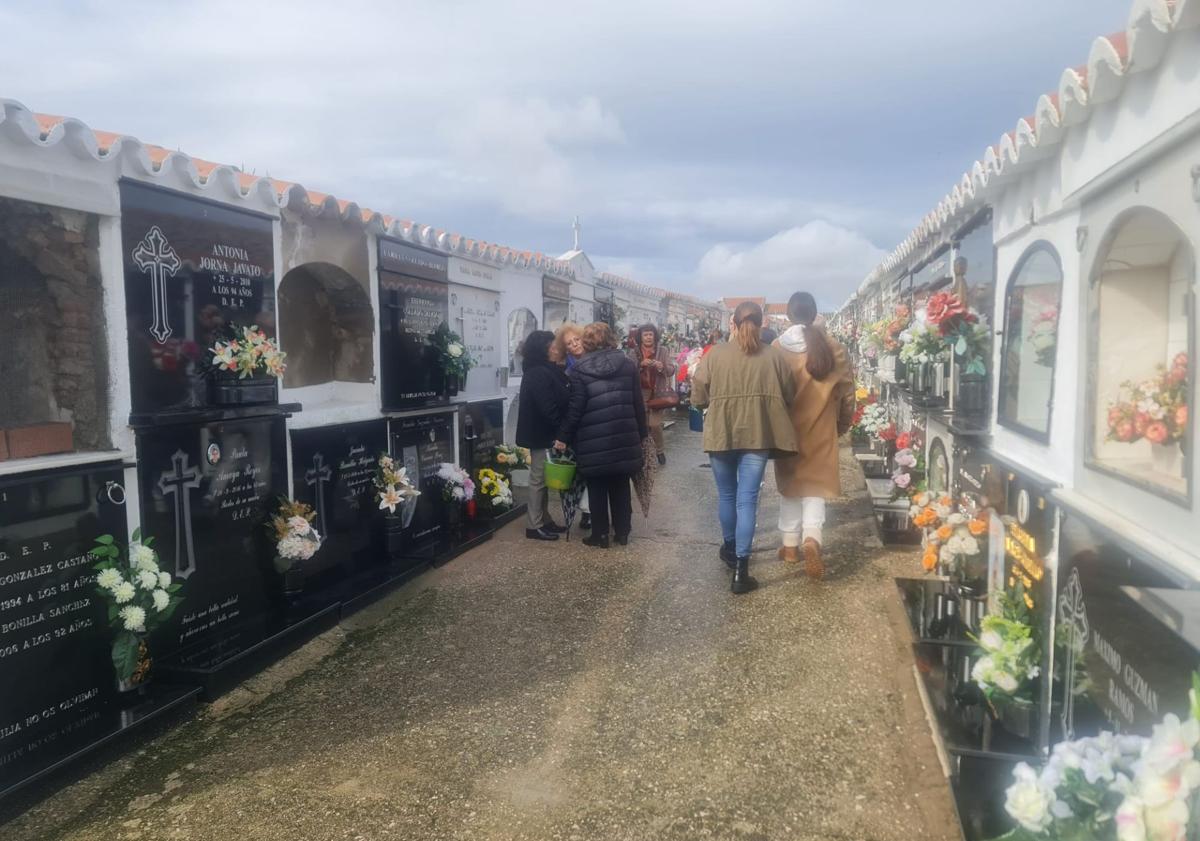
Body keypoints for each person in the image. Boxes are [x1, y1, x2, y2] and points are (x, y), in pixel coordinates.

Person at [691, 302, 797, 594]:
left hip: (721, 434)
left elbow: (698, 391)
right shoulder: (774, 357)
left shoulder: (715, 355)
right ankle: (741, 570)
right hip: (758, 434)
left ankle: (728, 547)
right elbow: (789, 393)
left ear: (733, 324)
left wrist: (706, 404)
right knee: (746, 499)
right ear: (762, 324)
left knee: (726, 494)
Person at [772, 291, 855, 579]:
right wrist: (842, 425)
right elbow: (847, 394)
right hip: (822, 428)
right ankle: (812, 538)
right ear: (815, 313)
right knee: (815, 489)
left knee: (790, 487)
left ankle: (791, 546)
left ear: (789, 315)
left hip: (786, 431)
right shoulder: (833, 347)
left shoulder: (777, 348)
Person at [555, 322, 647, 549]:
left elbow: (576, 408)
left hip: (593, 438)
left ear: (586, 342)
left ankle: (600, 535)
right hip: (625, 436)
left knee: (597, 486)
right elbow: (638, 403)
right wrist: (642, 434)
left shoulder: (579, 369)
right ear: (611, 338)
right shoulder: (628, 365)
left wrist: (563, 437)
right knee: (621, 485)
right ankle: (623, 533)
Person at [515, 331, 569, 541]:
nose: (556, 348)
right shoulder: (538, 372)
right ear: (543, 348)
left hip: (546, 432)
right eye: (552, 345)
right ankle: (533, 525)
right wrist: (561, 432)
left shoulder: (547, 369)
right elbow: (547, 407)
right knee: (538, 479)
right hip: (541, 433)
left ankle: (544, 520)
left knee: (544, 479)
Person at [550, 322, 592, 529]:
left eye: (577, 339)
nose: (575, 345)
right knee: (582, 471)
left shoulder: (595, 360)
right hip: (579, 427)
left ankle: (590, 511)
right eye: (569, 343)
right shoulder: (567, 370)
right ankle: (587, 510)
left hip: (595, 424)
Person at [628, 323, 676, 466]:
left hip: (657, 393)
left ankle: (659, 451)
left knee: (654, 424)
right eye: (645, 335)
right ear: (640, 337)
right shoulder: (634, 352)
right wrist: (640, 365)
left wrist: (662, 367)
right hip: (640, 393)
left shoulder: (663, 350)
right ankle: (643, 453)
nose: (648, 337)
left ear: (654, 336)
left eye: (650, 334)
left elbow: (671, 370)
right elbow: (628, 371)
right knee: (642, 425)